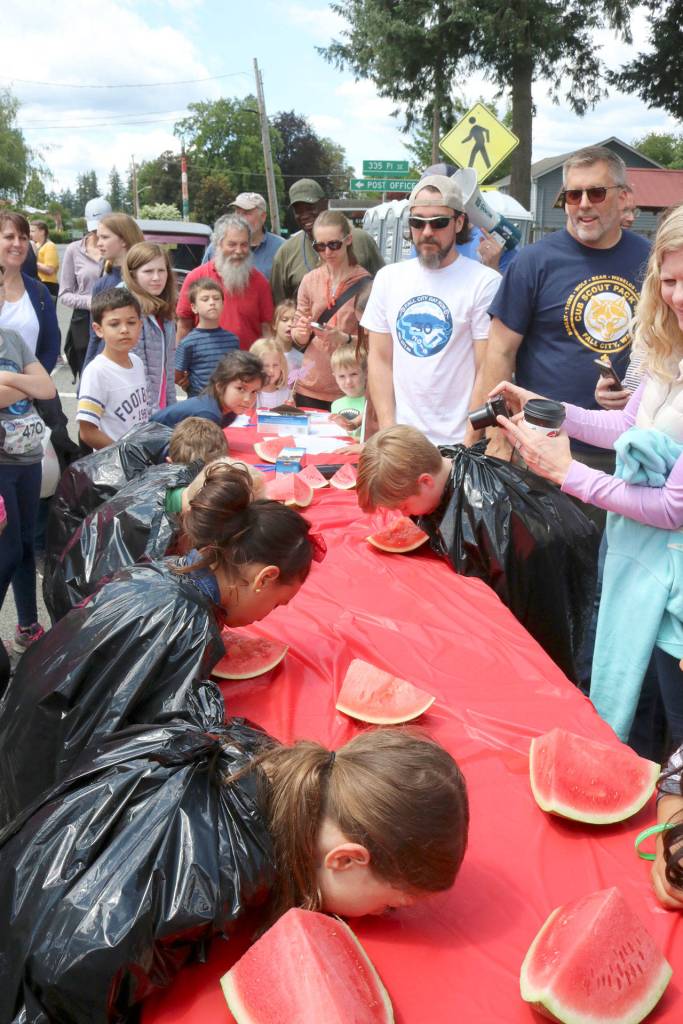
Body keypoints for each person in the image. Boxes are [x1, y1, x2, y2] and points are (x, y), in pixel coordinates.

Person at [0, 713, 469, 1022]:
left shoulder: (263, 758)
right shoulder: (205, 882)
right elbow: (64, 981)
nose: (383, 916)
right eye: (388, 904)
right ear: (345, 858)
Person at [0, 461, 319, 821]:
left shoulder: (162, 568)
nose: (268, 616)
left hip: (17, 738)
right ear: (263, 578)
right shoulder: (187, 625)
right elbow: (164, 746)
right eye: (278, 603)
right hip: (41, 787)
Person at [489, 203, 683, 749]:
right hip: (639, 570)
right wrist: (544, 405)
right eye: (668, 280)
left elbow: (674, 507)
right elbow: (624, 423)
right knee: (641, 722)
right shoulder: (671, 355)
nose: (678, 296)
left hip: (673, 587)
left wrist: (567, 472)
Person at [476, 146, 651, 508]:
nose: (583, 203)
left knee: (612, 564)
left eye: (596, 193)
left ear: (624, 199)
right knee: (542, 561)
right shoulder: (532, 261)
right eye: (573, 194)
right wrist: (497, 435)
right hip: (542, 446)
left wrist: (635, 391)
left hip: (630, 453)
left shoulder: (652, 260)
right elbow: (499, 352)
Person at [357, 424, 597, 680]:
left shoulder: (495, 518)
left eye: (404, 506)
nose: (405, 515)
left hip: (552, 580)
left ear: (425, 481)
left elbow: (522, 613)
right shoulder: (445, 461)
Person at [362, 175, 500, 446]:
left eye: (438, 222)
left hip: (458, 443)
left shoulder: (484, 282)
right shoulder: (388, 278)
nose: (427, 231)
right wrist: (391, 433)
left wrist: (468, 444)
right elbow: (379, 359)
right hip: (403, 443)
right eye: (417, 222)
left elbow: (487, 368)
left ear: (459, 222)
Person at [0, 263, 57, 654]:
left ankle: (27, 625)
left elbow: (48, 388)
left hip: (27, 459)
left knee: (21, 546)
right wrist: (24, 386)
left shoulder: (12, 340)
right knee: (7, 551)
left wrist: (11, 382)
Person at [290, 210, 371, 411]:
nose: (327, 252)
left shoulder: (366, 284)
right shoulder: (310, 280)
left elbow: (376, 339)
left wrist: (344, 339)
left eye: (334, 244)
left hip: (350, 387)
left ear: (348, 240)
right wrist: (300, 333)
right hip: (309, 386)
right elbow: (297, 336)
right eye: (320, 246)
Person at [270, 178, 384, 305]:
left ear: (325, 204)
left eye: (310, 207)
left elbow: (383, 288)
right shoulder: (286, 253)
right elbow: (280, 307)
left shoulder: (361, 240)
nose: (304, 215)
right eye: (298, 210)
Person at [176, 215, 273, 347]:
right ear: (218, 244)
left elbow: (267, 329)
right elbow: (184, 326)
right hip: (205, 365)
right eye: (232, 244)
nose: (239, 251)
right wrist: (180, 365)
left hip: (249, 365)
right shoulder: (196, 278)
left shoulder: (260, 282)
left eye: (244, 245)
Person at [77, 288, 149, 450]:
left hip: (140, 459)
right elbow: (87, 431)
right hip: (114, 466)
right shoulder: (97, 371)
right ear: (98, 329)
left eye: (131, 322)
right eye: (114, 324)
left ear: (140, 324)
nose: (124, 329)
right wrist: (124, 453)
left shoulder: (137, 362)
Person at [0, 212, 60, 373]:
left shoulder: (39, 291)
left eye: (23, 238)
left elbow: (51, 345)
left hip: (30, 392)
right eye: (9, 237)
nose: (17, 243)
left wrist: (29, 386)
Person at [59, 196, 110, 379]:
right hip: (83, 322)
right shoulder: (74, 250)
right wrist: (91, 302)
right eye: (95, 226)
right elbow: (64, 294)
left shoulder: (117, 249)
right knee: (88, 376)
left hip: (113, 319)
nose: (97, 231)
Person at [153, 350, 265, 429]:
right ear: (220, 386)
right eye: (240, 389)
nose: (247, 399)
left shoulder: (230, 411)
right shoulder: (208, 415)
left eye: (254, 391)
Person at [175, 276, 239, 396]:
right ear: (194, 307)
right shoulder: (188, 342)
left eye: (216, 298)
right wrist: (187, 384)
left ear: (223, 304)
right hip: (199, 403)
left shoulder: (232, 340)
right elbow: (176, 373)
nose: (212, 303)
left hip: (227, 403)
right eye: (205, 299)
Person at [202, 192, 285, 280]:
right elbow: (202, 281)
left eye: (246, 213)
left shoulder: (281, 248)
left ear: (263, 217)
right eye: (237, 212)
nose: (240, 218)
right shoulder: (217, 246)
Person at [329, 344, 366, 438]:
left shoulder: (374, 402)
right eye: (341, 376)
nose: (348, 381)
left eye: (353, 374)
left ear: (366, 373)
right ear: (335, 377)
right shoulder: (336, 404)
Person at [250, 337, 291, 408]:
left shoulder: (286, 394)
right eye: (266, 366)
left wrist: (292, 410)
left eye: (275, 365)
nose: (271, 370)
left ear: (281, 365)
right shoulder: (250, 393)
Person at [29, 220, 59, 298]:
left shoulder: (50, 246)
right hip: (37, 283)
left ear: (42, 232)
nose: (30, 234)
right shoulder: (36, 245)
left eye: (33, 231)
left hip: (48, 284)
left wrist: (31, 262)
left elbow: (50, 270)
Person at [272, 298, 301, 373]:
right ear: (274, 324)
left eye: (294, 320)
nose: (290, 324)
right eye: (285, 320)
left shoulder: (302, 359)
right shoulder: (263, 354)